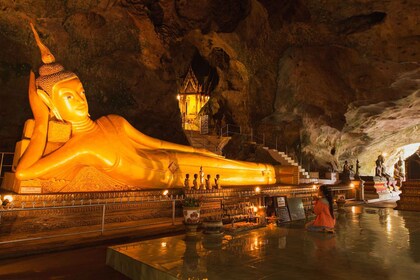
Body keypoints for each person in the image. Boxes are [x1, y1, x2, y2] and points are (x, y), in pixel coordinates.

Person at [14, 24, 281, 192]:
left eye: (81, 91)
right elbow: (25, 171)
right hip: (169, 179)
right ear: (53, 104)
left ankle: (269, 172)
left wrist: (194, 148)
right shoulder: (83, 147)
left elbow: (155, 143)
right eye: (69, 98)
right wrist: (41, 118)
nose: (81, 100)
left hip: (171, 162)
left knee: (232, 164)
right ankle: (267, 173)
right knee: (245, 174)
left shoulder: (113, 121)